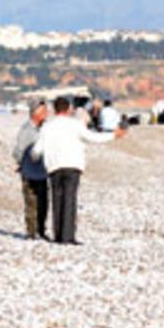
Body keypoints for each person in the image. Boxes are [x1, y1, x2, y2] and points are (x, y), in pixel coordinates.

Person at [31, 97, 126, 245]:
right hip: (72, 164)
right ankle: (68, 236)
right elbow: (93, 137)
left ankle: (58, 236)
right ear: (68, 109)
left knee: (57, 200)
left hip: (54, 166)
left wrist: (32, 159)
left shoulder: (47, 127)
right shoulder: (75, 124)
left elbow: (36, 150)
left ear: (54, 110)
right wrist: (113, 135)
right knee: (70, 200)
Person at [12, 100, 49, 240]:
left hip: (43, 172)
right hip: (29, 172)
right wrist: (22, 164)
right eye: (44, 111)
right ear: (35, 113)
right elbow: (18, 151)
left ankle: (41, 230)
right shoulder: (26, 130)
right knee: (31, 203)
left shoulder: (45, 128)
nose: (46, 114)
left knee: (44, 203)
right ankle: (31, 232)